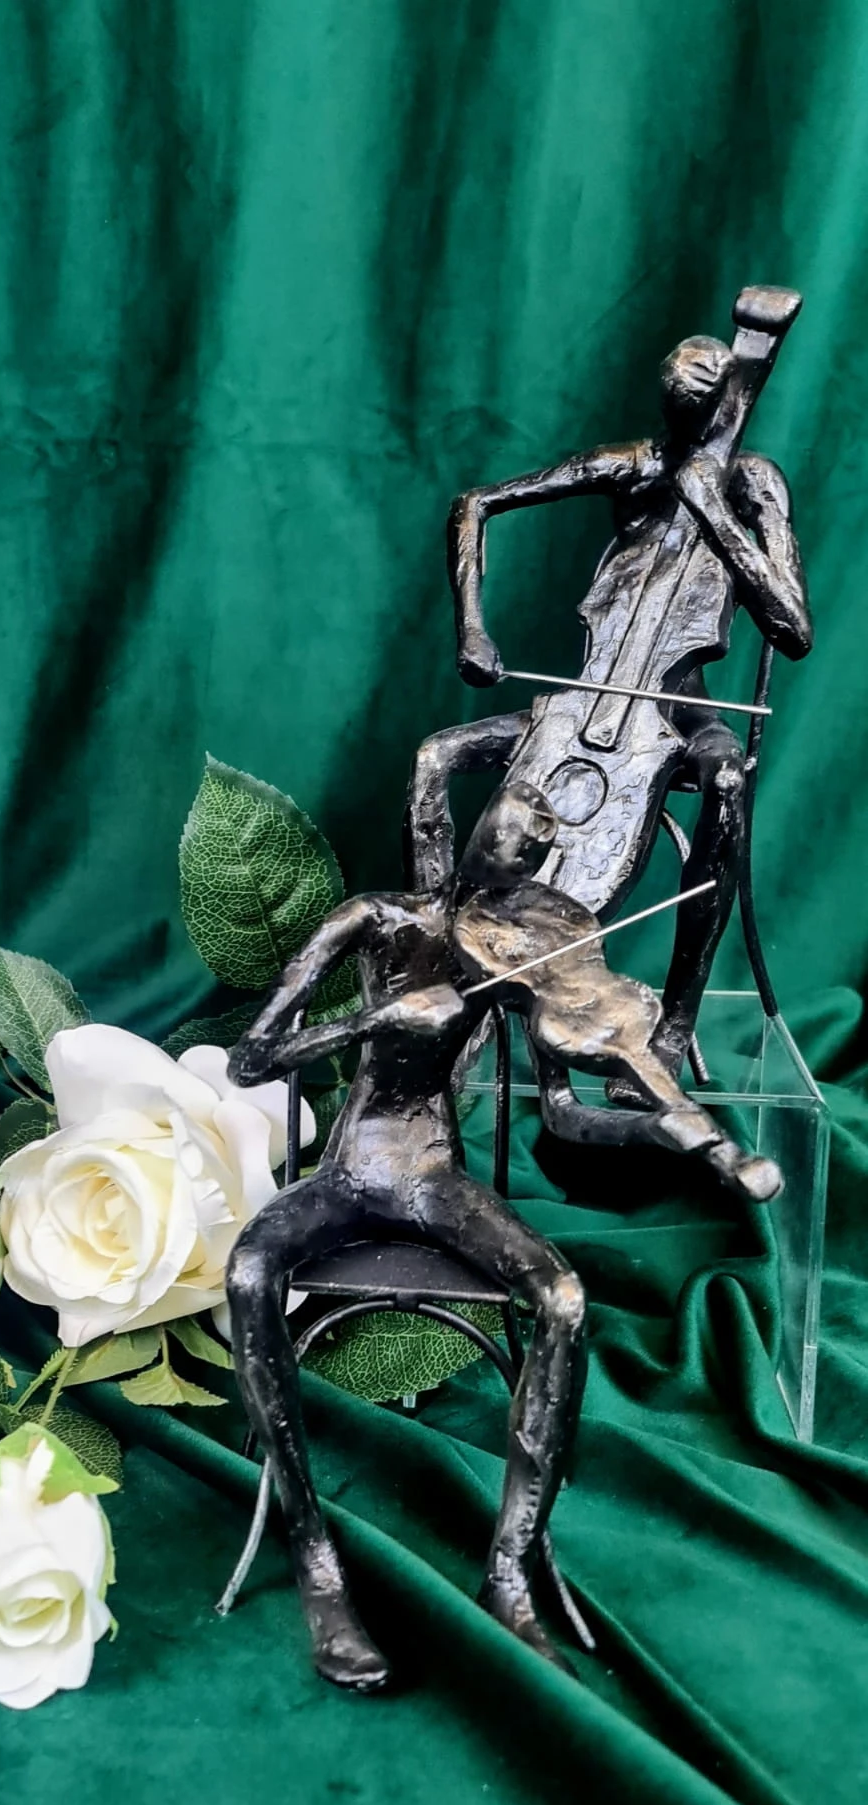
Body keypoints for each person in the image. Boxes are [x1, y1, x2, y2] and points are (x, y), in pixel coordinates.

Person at [226, 783, 779, 1693]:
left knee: (560, 1296)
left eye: (530, 851)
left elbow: (565, 1117)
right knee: (249, 1270)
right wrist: (369, 1022)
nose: (513, 857)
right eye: (506, 834)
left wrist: (662, 1126)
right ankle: (315, 1560)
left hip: (435, 1178)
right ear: (473, 826)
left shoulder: (528, 951)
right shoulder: (375, 918)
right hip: (349, 1173)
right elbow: (251, 1059)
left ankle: (510, 1573)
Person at [407, 323, 812, 1078]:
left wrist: (712, 511)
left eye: (698, 398)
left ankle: (676, 1017)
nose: (682, 411)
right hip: (584, 699)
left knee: (726, 782)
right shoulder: (631, 463)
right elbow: (475, 503)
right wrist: (472, 627)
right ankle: (438, 954)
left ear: (723, 401)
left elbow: (791, 628)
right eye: (673, 396)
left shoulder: (753, 480)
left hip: (679, 712)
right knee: (435, 755)